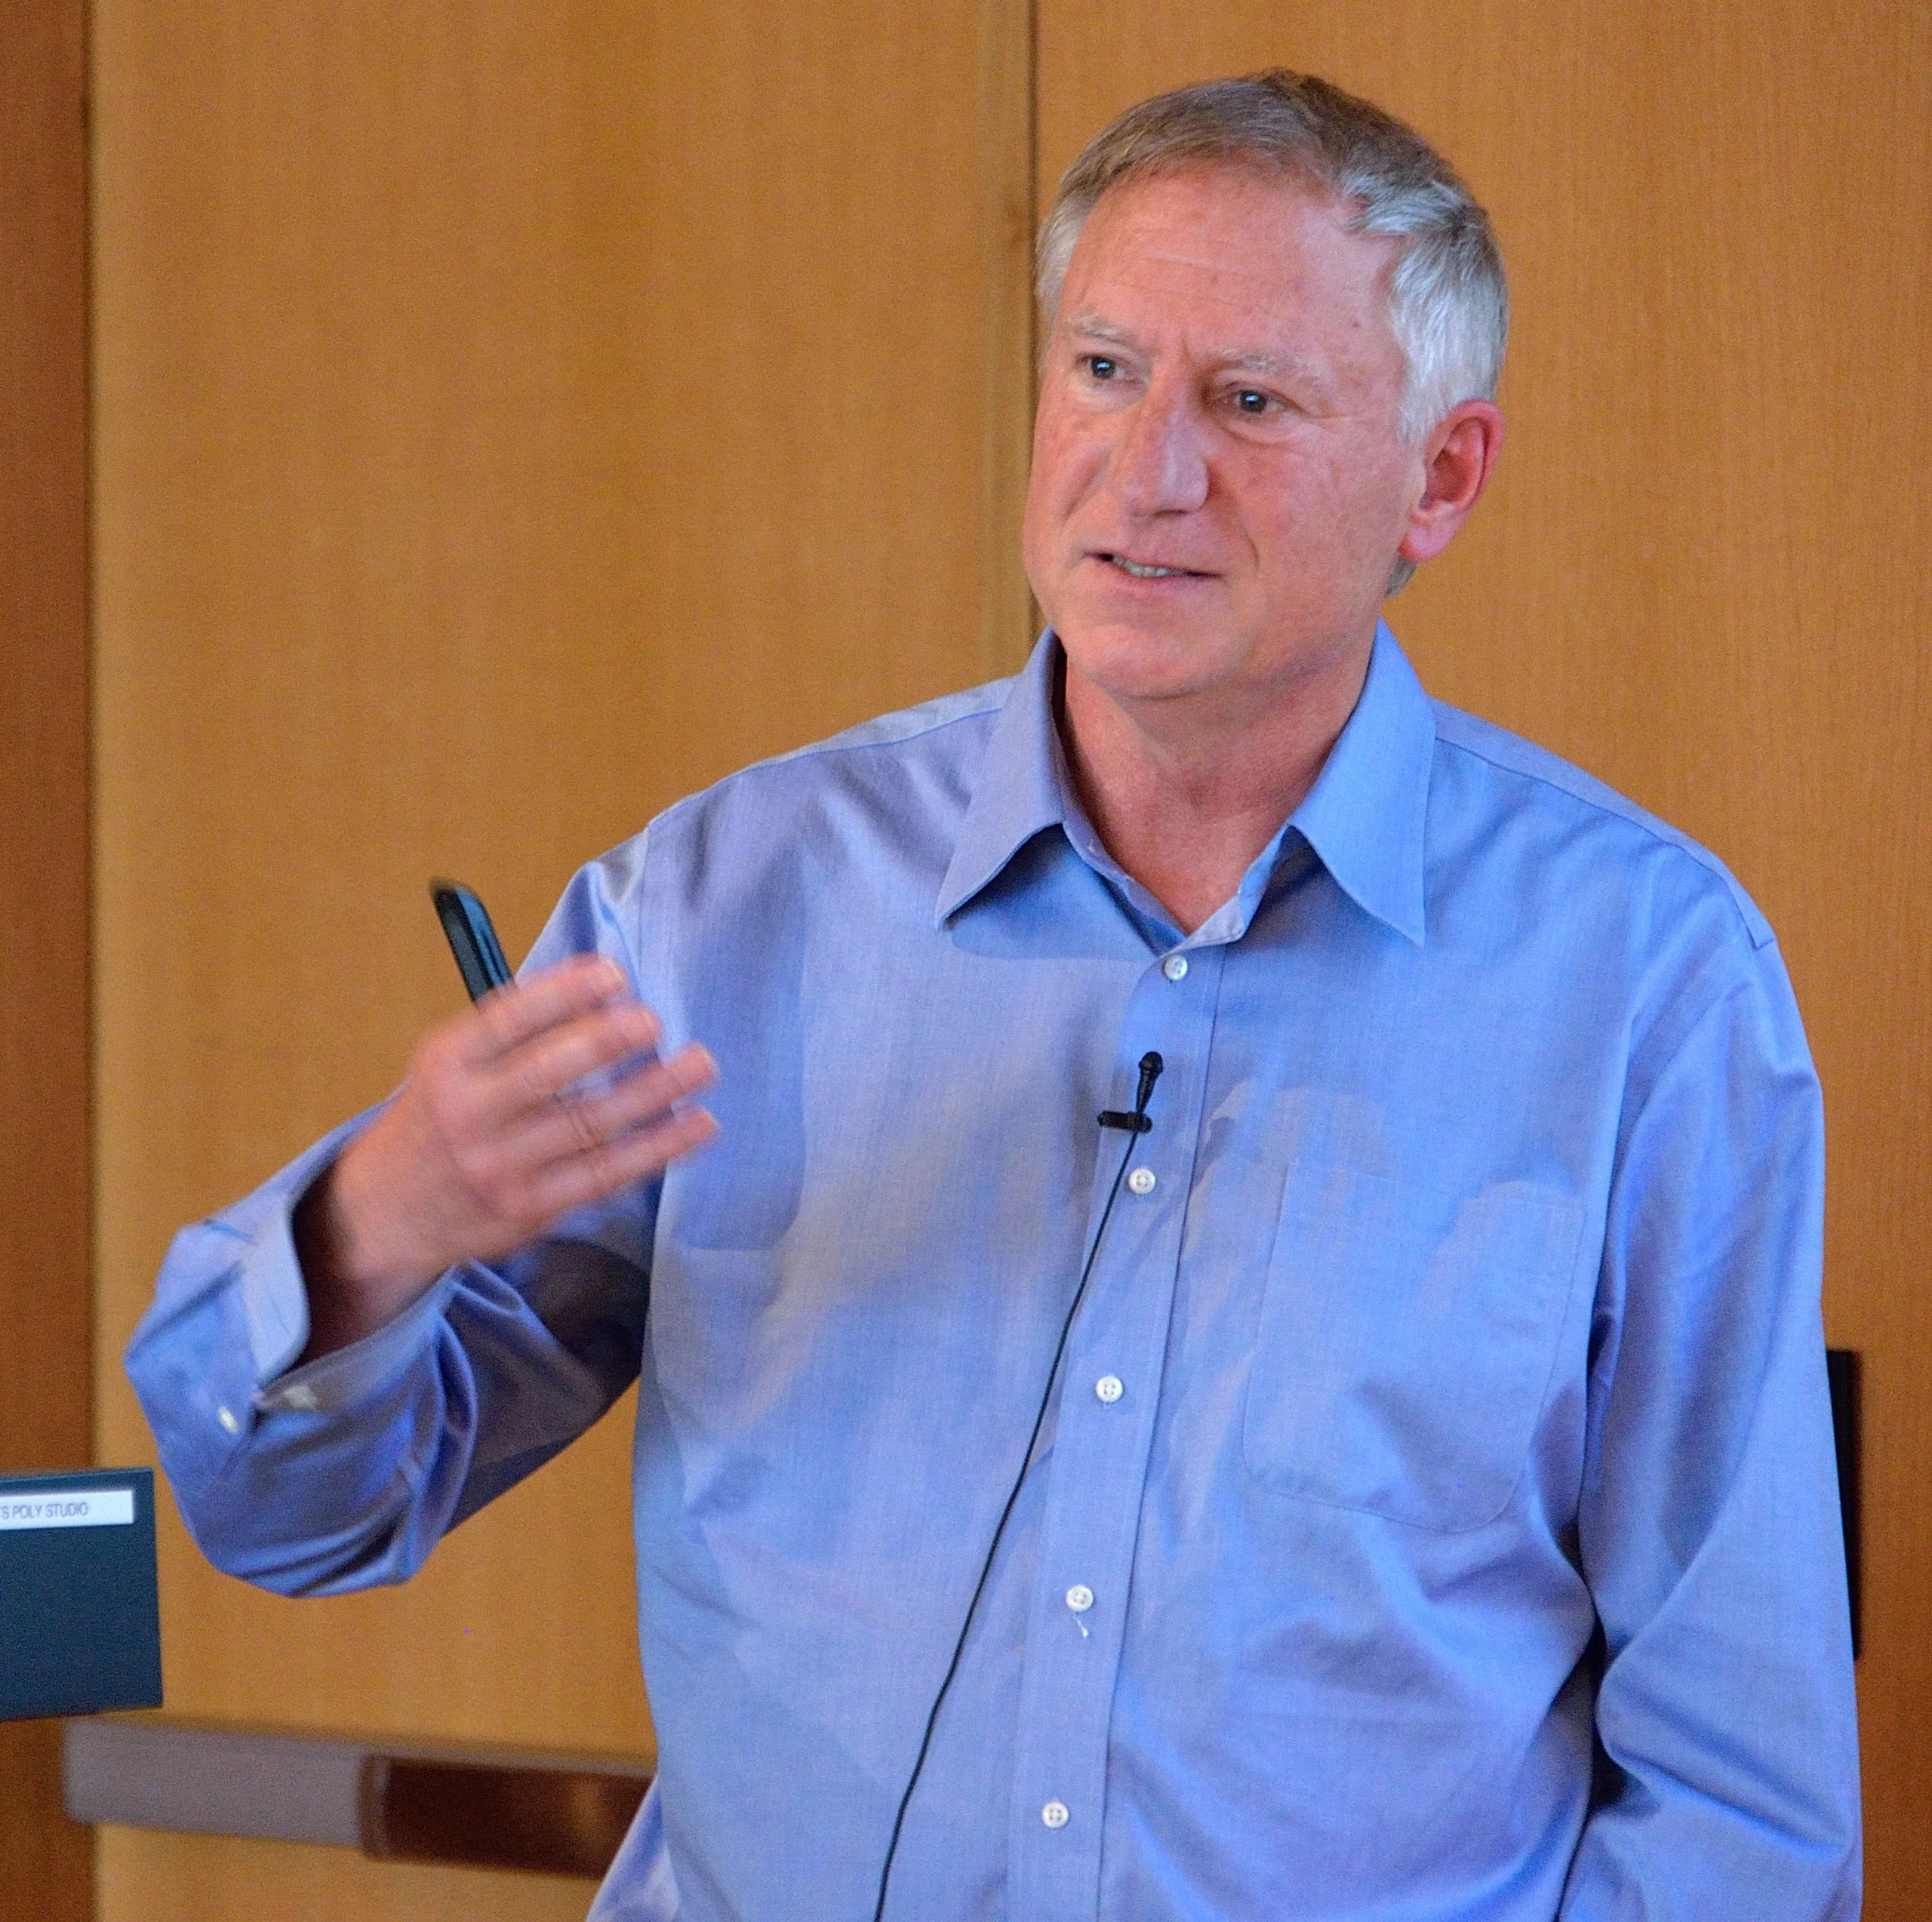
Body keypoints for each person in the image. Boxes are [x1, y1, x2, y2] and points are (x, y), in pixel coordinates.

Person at [128, 69, 1861, 1922]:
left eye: (1249, 402)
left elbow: (1740, 1793)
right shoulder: (721, 908)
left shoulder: (1643, 976)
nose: (1148, 470)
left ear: (1438, 478)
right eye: (1104, 370)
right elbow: (292, 1521)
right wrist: (377, 1224)